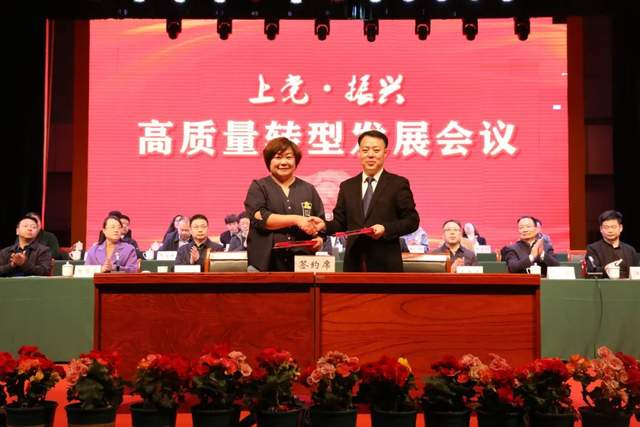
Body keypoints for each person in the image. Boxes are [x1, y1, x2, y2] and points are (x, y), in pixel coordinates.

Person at [323, 130, 420, 272]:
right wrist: (323, 225)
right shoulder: (347, 186)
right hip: (353, 263)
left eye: (376, 150)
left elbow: (412, 220)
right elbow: (340, 223)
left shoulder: (398, 184)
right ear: (359, 153)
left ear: (385, 153)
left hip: (386, 264)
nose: (370, 155)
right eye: (365, 150)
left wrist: (385, 228)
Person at [244, 137, 325, 271]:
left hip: (302, 263)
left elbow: (320, 223)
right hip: (265, 264)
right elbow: (262, 218)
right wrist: (297, 219)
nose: (283, 162)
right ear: (269, 161)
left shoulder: (308, 189)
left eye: (288, 157)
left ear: (295, 161)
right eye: (278, 157)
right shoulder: (258, 186)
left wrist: (319, 239)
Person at [586, 210, 639, 278]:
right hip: (605, 284)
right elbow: (591, 271)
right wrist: (605, 269)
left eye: (613, 227)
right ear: (601, 229)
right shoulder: (593, 249)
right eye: (606, 227)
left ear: (621, 228)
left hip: (628, 284)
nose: (610, 231)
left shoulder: (630, 250)